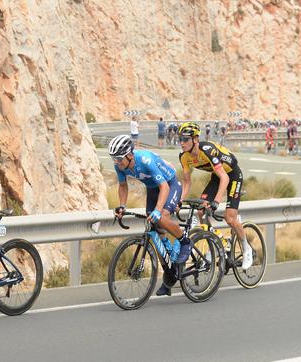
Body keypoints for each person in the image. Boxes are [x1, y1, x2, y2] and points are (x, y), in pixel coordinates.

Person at [108, 135, 192, 296]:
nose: (116, 162)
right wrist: (122, 206)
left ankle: (185, 241)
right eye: (114, 159)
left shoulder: (145, 160)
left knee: (161, 217)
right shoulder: (120, 166)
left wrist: (158, 210)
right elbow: (123, 186)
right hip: (153, 189)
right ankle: (169, 275)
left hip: (170, 184)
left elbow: (164, 187)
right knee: (156, 236)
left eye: (119, 158)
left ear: (130, 155)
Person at [176, 122, 253, 270]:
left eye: (185, 139)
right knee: (200, 210)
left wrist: (216, 201)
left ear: (195, 140)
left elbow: (225, 178)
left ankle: (246, 248)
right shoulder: (184, 157)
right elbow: (187, 182)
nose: (181, 142)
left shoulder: (207, 150)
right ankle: (214, 245)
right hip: (217, 176)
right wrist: (179, 201)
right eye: (180, 139)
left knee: (229, 218)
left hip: (233, 175)